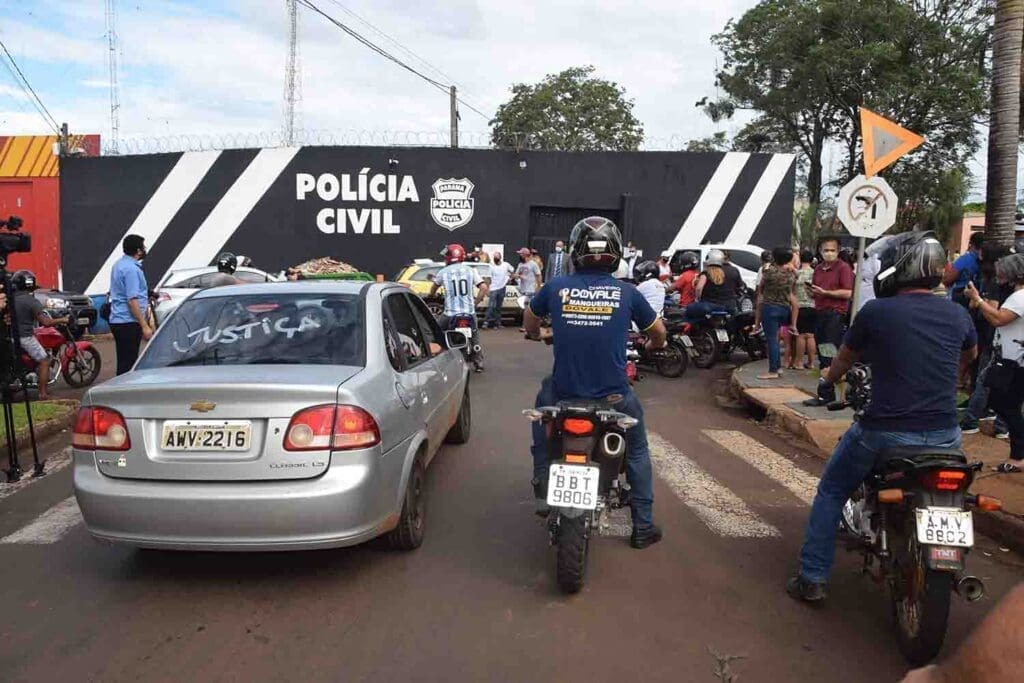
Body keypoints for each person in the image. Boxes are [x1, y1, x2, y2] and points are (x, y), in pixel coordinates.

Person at [787, 231, 977, 602]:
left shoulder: (876, 311)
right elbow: (969, 356)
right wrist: (951, 379)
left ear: (899, 268)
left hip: (883, 431)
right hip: (945, 434)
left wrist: (827, 382)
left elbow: (844, 358)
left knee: (831, 490)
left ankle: (812, 578)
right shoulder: (957, 313)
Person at [525, 216, 668, 549]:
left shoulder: (556, 287)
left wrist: (536, 333)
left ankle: (543, 478)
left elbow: (530, 320)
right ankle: (643, 525)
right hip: (614, 397)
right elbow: (658, 333)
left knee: (541, 414)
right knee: (637, 450)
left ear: (576, 251)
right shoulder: (627, 293)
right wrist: (653, 345)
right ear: (616, 254)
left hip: (563, 394)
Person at [964, 253, 1024, 471]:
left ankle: (1019, 455)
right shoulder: (1017, 296)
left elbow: (998, 319)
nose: (998, 277)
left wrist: (978, 299)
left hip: (1014, 362)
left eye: (1001, 273)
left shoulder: (1019, 298)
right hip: (1011, 359)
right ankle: (1018, 452)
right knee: (1005, 404)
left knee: (1005, 404)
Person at [960, 244, 1013, 439]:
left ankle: (972, 420)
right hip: (1009, 341)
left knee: (985, 380)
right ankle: (1000, 424)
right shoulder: (1013, 287)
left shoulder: (996, 285)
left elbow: (994, 314)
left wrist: (976, 300)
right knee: (1005, 383)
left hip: (997, 340)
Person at [429, 243, 489, 373]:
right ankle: (478, 361)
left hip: (450, 313)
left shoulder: (443, 272)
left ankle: (435, 357)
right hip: (469, 312)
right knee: (474, 335)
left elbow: (433, 288)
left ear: (450, 257)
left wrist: (431, 295)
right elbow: (484, 288)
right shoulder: (470, 270)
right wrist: (475, 302)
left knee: (435, 332)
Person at [12, 270, 69, 400]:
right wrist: (62, 319)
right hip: (25, 337)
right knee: (44, 360)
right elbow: (46, 322)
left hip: (12, 337)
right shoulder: (31, 301)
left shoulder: (11, 298)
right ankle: (43, 394)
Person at [807, 236, 853, 376]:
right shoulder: (819, 269)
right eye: (826, 250)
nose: (829, 253)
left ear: (838, 251)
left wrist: (825, 292)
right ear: (820, 251)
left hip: (835, 313)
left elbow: (847, 293)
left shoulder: (843, 268)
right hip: (820, 310)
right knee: (821, 344)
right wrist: (813, 292)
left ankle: (829, 375)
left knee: (829, 346)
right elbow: (816, 291)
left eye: (832, 250)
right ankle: (825, 371)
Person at [109, 234, 153, 375]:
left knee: (124, 361)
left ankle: (120, 391)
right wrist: (144, 325)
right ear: (138, 251)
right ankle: (122, 393)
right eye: (143, 247)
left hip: (119, 320)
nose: (145, 250)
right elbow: (132, 300)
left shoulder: (119, 265)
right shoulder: (131, 269)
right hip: (128, 321)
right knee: (128, 364)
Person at [754, 247, 798, 380]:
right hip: (785, 308)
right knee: (776, 339)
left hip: (770, 308)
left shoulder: (768, 272)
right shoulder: (791, 274)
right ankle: (778, 367)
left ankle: (773, 370)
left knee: (772, 340)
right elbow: (793, 290)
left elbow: (761, 288)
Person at [694, 249, 741, 315]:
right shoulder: (734, 270)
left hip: (710, 305)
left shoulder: (706, 273)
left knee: (690, 309)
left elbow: (699, 288)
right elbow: (740, 287)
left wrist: (697, 299)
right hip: (730, 305)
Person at [943, 231, 984, 307]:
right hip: (981, 301)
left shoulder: (966, 259)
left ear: (971, 244)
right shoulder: (987, 260)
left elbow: (947, 279)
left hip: (962, 298)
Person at [792, 248, 818, 369]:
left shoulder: (797, 274)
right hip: (813, 306)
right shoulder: (815, 273)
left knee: (801, 335)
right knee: (811, 335)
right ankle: (812, 362)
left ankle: (799, 362)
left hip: (799, 307)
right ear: (812, 260)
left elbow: (791, 291)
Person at [514, 247, 542, 330]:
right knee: (524, 308)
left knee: (527, 307)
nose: (519, 256)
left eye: (520, 254)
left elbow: (538, 275)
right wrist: (517, 276)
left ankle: (526, 326)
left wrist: (538, 286)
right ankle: (528, 325)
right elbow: (516, 274)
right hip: (523, 288)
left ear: (525, 255)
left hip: (530, 288)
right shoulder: (520, 265)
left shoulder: (533, 264)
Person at [484, 251, 514, 329]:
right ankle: (486, 322)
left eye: (497, 257)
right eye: (495, 258)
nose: (495, 259)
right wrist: (487, 289)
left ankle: (497, 323)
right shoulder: (491, 267)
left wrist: (509, 278)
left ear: (500, 258)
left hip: (502, 288)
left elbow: (512, 271)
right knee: (491, 306)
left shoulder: (506, 265)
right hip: (493, 288)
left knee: (498, 307)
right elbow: (488, 278)